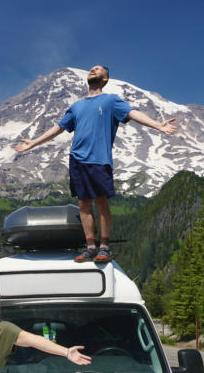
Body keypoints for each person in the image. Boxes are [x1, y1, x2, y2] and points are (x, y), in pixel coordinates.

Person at [14, 65, 177, 263]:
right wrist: (33, 142)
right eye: (91, 69)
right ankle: (90, 246)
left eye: (98, 69)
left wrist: (158, 125)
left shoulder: (111, 101)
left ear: (105, 79)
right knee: (83, 203)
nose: (93, 70)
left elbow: (134, 114)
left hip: (99, 158)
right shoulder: (76, 106)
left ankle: (105, 246)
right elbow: (58, 128)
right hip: (77, 159)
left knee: (101, 202)